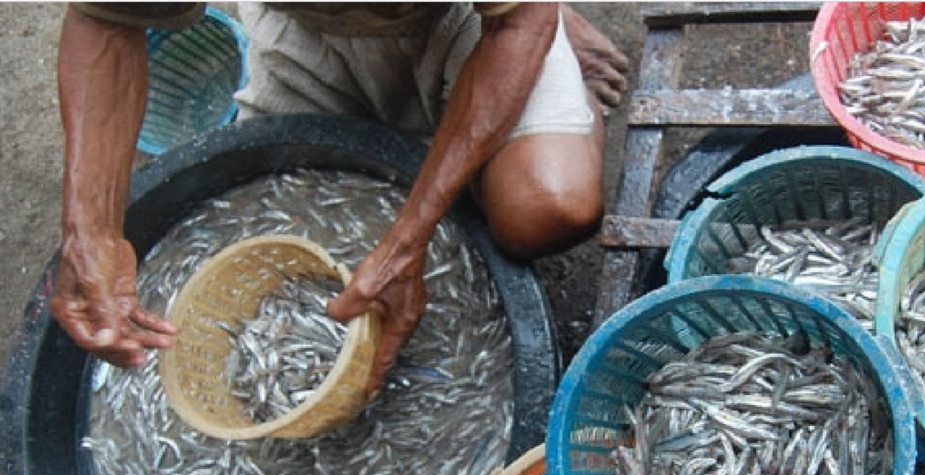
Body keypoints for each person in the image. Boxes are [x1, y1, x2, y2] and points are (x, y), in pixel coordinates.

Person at [53, 2, 628, 394]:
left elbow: (514, 30)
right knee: (260, 230)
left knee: (546, 209)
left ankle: (546, 18)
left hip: (461, 23)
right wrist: (91, 232)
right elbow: (107, 20)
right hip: (307, 25)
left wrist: (410, 235)